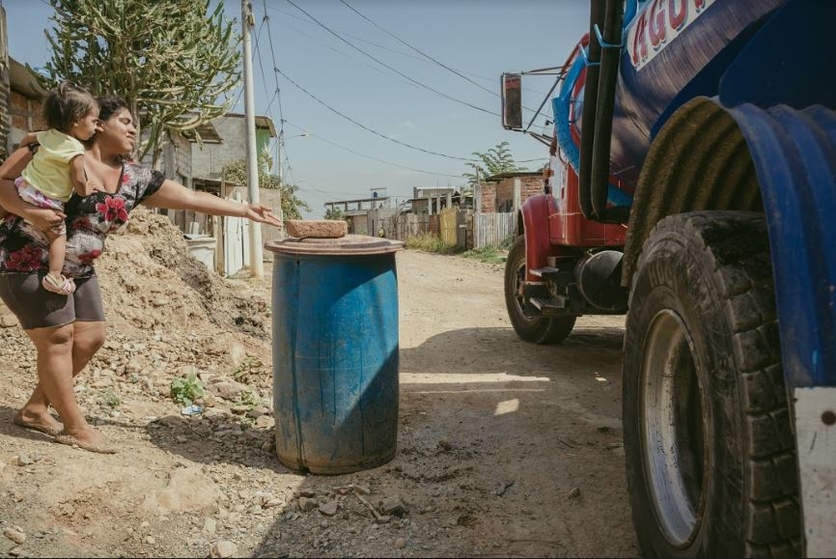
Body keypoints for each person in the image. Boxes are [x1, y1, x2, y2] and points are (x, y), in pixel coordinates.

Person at [0, 95, 282, 454]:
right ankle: (75, 428)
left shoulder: (133, 177)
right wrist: (34, 213)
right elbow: (4, 184)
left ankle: (36, 408)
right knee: (58, 339)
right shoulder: (56, 150)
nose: (134, 129)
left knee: (90, 338)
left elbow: (189, 197)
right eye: (125, 121)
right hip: (28, 256)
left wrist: (245, 210)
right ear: (98, 124)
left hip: (79, 269)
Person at [2, 82, 102, 295]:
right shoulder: (76, 149)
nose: (96, 127)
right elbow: (78, 180)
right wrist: (87, 189)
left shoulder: (45, 136)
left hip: (25, 186)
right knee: (58, 237)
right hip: (46, 200)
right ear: (76, 120)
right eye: (93, 121)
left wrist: (23, 149)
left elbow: (28, 138)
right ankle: (55, 276)